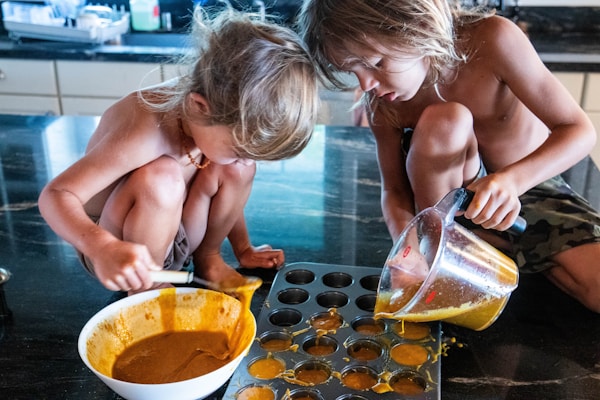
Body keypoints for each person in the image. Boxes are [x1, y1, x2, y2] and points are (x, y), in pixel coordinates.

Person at [298, 0, 600, 312]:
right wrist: (409, 250)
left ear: (416, 28)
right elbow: (394, 191)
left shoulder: (495, 39)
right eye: (352, 71)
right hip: (447, 216)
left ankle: (501, 247)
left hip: (528, 187)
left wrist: (510, 182)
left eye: (375, 62)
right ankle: (451, 249)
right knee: (447, 120)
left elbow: (578, 130)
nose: (366, 85)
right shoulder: (383, 101)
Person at [38, 7, 319, 294]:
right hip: (119, 249)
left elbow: (230, 177)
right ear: (200, 106)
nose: (244, 160)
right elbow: (56, 195)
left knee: (236, 168)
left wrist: (243, 248)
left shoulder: (214, 112)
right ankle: (148, 289)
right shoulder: (143, 130)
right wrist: (102, 248)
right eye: (238, 149)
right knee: (161, 177)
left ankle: (208, 258)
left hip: (178, 236)